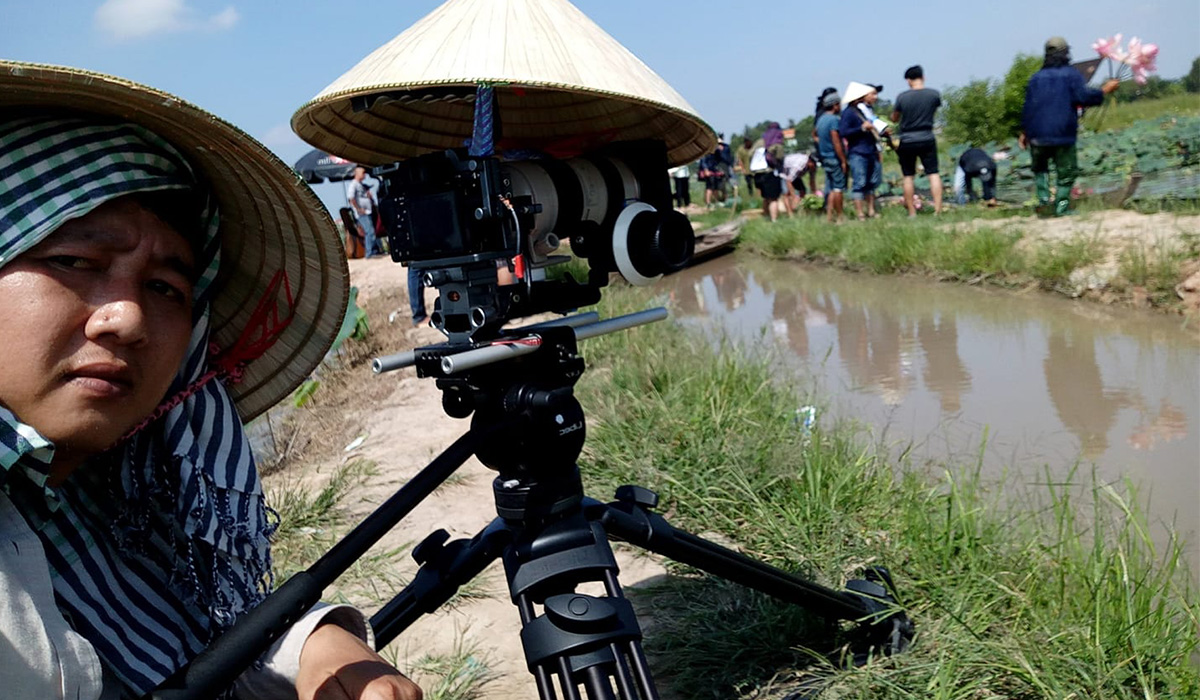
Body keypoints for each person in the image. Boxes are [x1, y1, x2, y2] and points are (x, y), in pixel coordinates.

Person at [0, 60, 422, 700]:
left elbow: (201, 629)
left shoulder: (113, 498)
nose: (129, 319)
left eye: (165, 287)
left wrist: (316, 645)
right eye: (74, 260)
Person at [1020, 36, 1119, 216]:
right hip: (1062, 133)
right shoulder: (1071, 74)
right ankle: (1061, 208)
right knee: (1066, 172)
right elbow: (1083, 97)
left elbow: (1028, 108)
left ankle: (1043, 203)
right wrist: (1105, 90)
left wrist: (1024, 132)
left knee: (1040, 170)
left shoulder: (1035, 78)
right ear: (1066, 53)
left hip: (1036, 134)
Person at [891, 65, 944, 216]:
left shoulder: (902, 97)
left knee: (908, 176)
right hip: (927, 136)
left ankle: (912, 212)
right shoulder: (934, 94)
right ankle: (938, 210)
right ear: (923, 77)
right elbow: (934, 110)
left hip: (907, 138)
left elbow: (895, 118)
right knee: (933, 174)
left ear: (908, 80)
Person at [840, 82, 883, 219]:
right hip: (858, 152)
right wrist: (862, 128)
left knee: (871, 183)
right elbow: (844, 132)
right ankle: (860, 213)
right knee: (859, 183)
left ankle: (871, 210)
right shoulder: (848, 113)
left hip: (870, 150)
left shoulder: (864, 110)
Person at [814, 92, 847, 223]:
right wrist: (843, 160)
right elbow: (836, 141)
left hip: (825, 157)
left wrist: (822, 144)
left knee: (831, 188)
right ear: (835, 105)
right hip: (834, 157)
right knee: (838, 188)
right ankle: (840, 217)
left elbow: (815, 134)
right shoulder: (833, 120)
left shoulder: (821, 119)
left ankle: (829, 216)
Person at [348, 166, 383, 257]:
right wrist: (358, 209)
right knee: (369, 231)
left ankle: (375, 250)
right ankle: (370, 253)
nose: (364, 175)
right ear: (357, 174)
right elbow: (351, 198)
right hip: (362, 213)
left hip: (368, 211)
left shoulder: (361, 185)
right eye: (363, 173)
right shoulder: (353, 184)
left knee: (372, 231)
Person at [757, 122, 787, 221]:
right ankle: (774, 219)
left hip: (758, 173)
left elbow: (750, 154)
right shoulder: (777, 143)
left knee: (766, 197)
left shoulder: (761, 141)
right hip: (771, 172)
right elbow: (780, 158)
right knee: (773, 198)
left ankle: (766, 217)